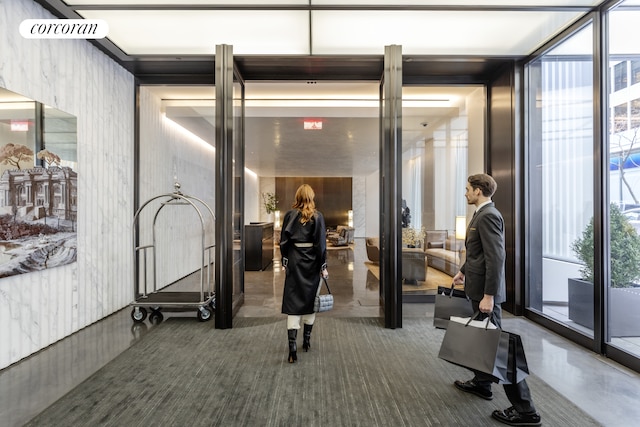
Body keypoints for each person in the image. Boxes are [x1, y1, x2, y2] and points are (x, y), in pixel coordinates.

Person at [452, 173, 541, 426]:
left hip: (485, 295)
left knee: (500, 350)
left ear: (478, 191)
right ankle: (482, 384)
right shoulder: (481, 213)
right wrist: (463, 271)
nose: (466, 192)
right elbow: (478, 253)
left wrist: (489, 296)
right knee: (482, 341)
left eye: (468, 188)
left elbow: (496, 258)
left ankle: (526, 410)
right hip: (478, 290)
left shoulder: (489, 215)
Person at [280, 184, 328, 363]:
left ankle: (292, 349)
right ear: (312, 197)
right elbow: (321, 245)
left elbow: (284, 242)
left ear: (297, 196)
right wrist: (323, 266)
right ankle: (306, 341)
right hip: (312, 265)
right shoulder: (318, 216)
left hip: (294, 263)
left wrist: (285, 261)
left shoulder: (289, 215)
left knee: (293, 302)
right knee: (310, 300)